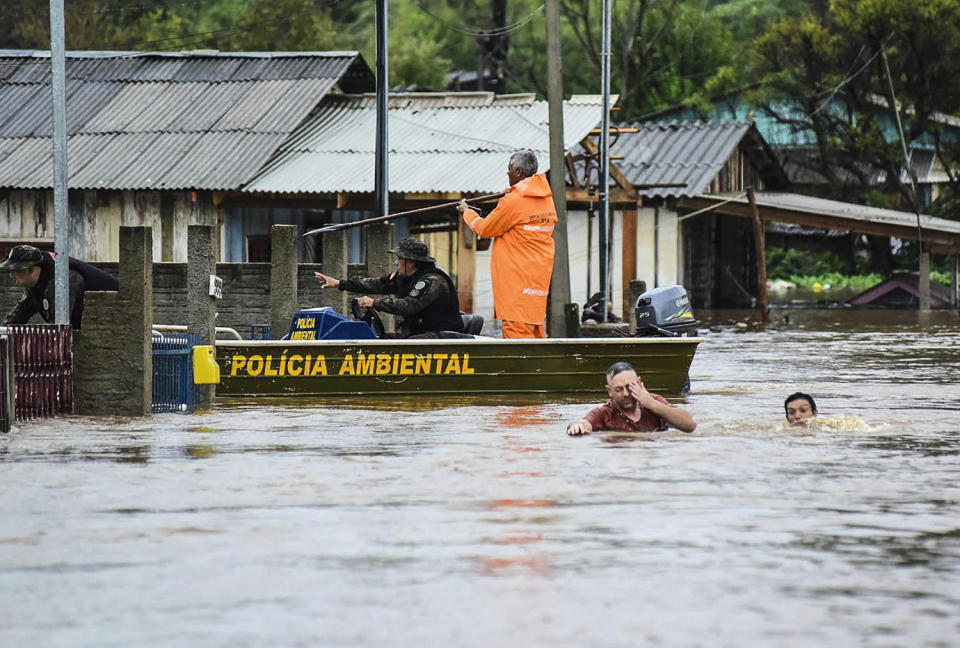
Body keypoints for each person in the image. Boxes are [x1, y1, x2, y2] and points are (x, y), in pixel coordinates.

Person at [457, 150, 557, 339]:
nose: (507, 173)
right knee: (535, 334)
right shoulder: (545, 199)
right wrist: (510, 195)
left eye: (509, 170)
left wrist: (467, 212)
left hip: (516, 283)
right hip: (536, 283)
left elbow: (486, 229)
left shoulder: (514, 201)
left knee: (517, 341)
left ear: (518, 172)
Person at [314, 236, 464, 337]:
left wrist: (374, 303)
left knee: (400, 347)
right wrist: (340, 283)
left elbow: (408, 306)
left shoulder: (432, 281)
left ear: (410, 262)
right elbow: (378, 284)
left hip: (441, 336)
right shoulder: (406, 278)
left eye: (399, 259)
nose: (396, 263)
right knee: (382, 338)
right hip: (419, 332)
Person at [1, 244, 119, 330]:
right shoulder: (36, 284)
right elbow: (19, 315)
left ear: (31, 269)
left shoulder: (62, 279)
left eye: (16, 270)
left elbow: (59, 328)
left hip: (114, 323)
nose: (11, 275)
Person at [567, 361, 697, 435]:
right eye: (619, 389)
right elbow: (584, 423)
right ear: (609, 391)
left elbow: (690, 425)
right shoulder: (605, 413)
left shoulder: (653, 401)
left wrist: (651, 404)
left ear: (639, 383)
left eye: (630, 387)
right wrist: (576, 426)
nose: (626, 394)